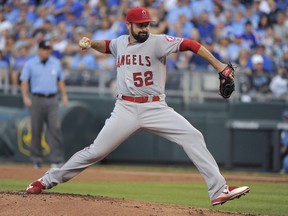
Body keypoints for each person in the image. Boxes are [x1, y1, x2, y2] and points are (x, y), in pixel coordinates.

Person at [26, 7, 249, 206]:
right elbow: (107, 46)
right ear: (129, 25)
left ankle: (219, 190)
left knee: (193, 136)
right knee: (96, 151)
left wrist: (220, 67)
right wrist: (90, 43)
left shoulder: (158, 41)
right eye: (140, 25)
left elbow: (192, 45)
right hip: (124, 108)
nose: (144, 28)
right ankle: (46, 180)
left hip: (155, 108)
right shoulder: (121, 42)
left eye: (147, 24)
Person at [20, 40, 68, 169]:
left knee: (55, 128)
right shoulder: (30, 63)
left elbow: (60, 81)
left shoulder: (55, 62)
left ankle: (57, 160)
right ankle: (36, 159)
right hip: (36, 98)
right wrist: (25, 97)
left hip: (52, 99)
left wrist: (64, 95)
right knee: (36, 129)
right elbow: (24, 81)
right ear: (39, 50)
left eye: (49, 49)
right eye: (45, 49)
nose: (47, 52)